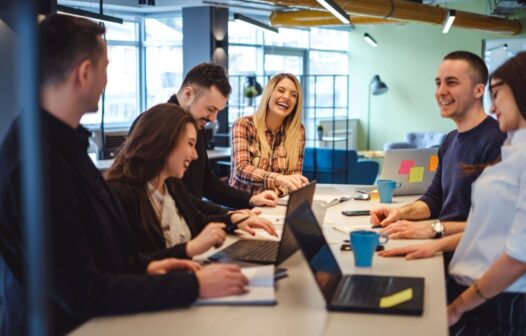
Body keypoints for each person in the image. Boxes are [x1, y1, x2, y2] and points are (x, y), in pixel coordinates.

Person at [0, 15, 247, 335]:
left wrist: (146, 266)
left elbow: (94, 255)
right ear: (85, 72)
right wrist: (192, 285)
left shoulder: (60, 142)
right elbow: (80, 290)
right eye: (106, 66)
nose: (106, 79)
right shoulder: (36, 159)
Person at [380, 52, 526, 334]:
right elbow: (488, 224)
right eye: (438, 82)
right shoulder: (460, 140)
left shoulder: (501, 141)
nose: (494, 109)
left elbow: (515, 249)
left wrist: (434, 233)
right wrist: (419, 227)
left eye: (498, 95)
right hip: (472, 276)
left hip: (502, 293)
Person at [107, 103, 276, 257]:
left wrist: (233, 219)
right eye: (190, 144)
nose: (195, 155)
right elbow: (126, 264)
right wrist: (190, 249)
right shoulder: (119, 194)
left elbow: (198, 221)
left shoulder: (171, 184)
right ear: (165, 141)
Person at [371, 51, 506, 240]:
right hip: (442, 244)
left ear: (478, 90)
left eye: (451, 82)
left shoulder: (499, 140)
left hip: (471, 256)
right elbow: (434, 199)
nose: (440, 91)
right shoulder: (450, 140)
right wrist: (399, 213)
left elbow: (497, 224)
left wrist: (432, 229)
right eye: (438, 83)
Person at [130, 63, 278, 213]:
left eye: (218, 111)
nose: (213, 119)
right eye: (210, 109)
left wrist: (250, 199)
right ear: (188, 94)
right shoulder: (155, 125)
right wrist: (227, 216)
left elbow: (207, 182)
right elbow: (173, 195)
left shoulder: (195, 123)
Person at [229, 73, 308, 196]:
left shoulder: (298, 131)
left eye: (293, 95)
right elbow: (241, 169)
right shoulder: (244, 125)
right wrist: (278, 179)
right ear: (268, 94)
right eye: (281, 90)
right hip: (242, 207)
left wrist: (275, 193)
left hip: (275, 204)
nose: (287, 97)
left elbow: (294, 180)